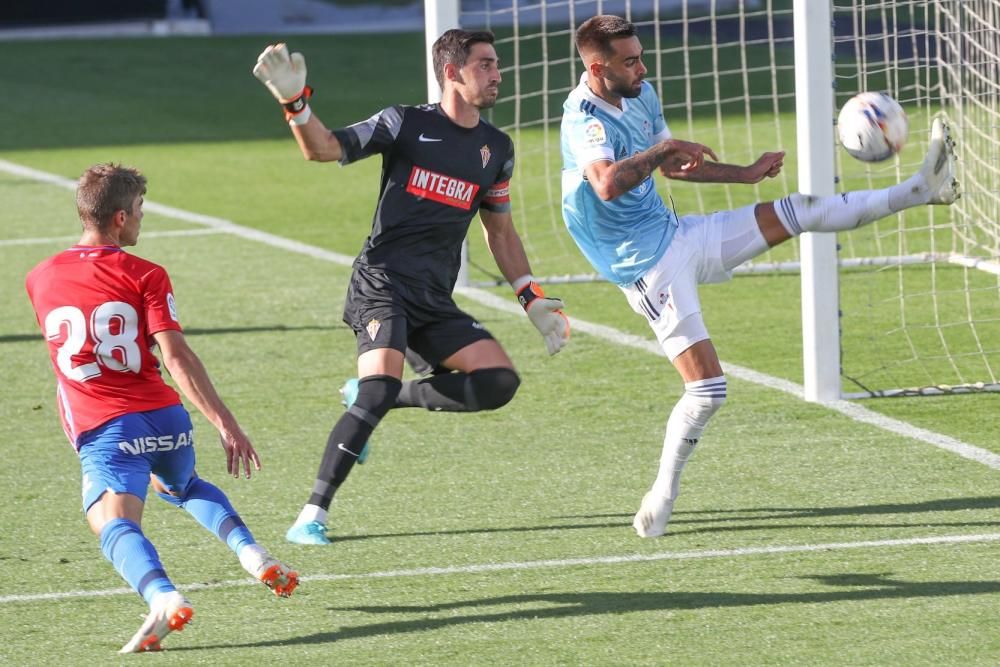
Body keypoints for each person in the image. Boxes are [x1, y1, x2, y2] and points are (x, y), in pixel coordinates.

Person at [561, 15, 959, 538]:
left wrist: (745, 173)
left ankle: (919, 190)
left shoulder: (641, 91)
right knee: (707, 391)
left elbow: (675, 165)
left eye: (640, 55)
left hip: (677, 233)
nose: (642, 67)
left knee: (798, 210)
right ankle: (662, 494)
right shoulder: (582, 118)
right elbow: (609, 184)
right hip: (645, 266)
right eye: (630, 60)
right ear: (598, 66)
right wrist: (662, 150)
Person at [252, 29, 571, 546]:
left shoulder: (496, 148)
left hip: (433, 297)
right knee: (375, 388)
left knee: (498, 383)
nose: (497, 74)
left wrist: (530, 297)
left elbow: (500, 231)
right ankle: (312, 514)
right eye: (485, 65)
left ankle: (384, 397)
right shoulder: (403, 123)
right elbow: (324, 149)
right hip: (381, 283)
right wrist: (295, 103)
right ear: (452, 72)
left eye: (496, 65)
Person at [25, 164, 299, 653]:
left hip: (107, 427)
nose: (141, 221)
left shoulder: (39, 278)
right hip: (167, 420)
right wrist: (224, 421)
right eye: (140, 212)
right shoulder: (147, 274)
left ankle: (162, 598)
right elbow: (174, 356)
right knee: (183, 484)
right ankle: (253, 555)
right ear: (119, 218)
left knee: (112, 524)